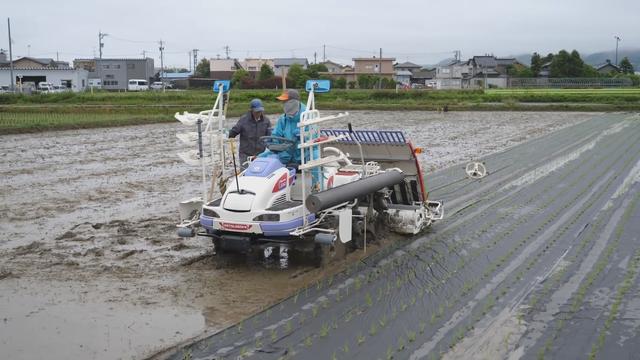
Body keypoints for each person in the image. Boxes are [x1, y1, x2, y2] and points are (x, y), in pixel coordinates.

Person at [258, 89, 307, 165]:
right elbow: (276, 136)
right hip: (286, 157)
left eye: (285, 101)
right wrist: (271, 143)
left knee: (315, 157)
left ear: (294, 102)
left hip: (305, 159)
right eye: (283, 102)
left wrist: (304, 136)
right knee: (260, 160)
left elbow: (314, 139)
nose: (283, 104)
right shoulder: (283, 118)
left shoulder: (308, 116)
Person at [228, 99, 272, 166]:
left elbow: (270, 137)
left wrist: (270, 149)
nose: (258, 113)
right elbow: (234, 131)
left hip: (260, 154)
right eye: (257, 112)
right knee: (245, 173)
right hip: (245, 154)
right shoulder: (243, 120)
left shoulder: (266, 121)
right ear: (251, 110)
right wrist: (230, 134)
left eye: (260, 111)